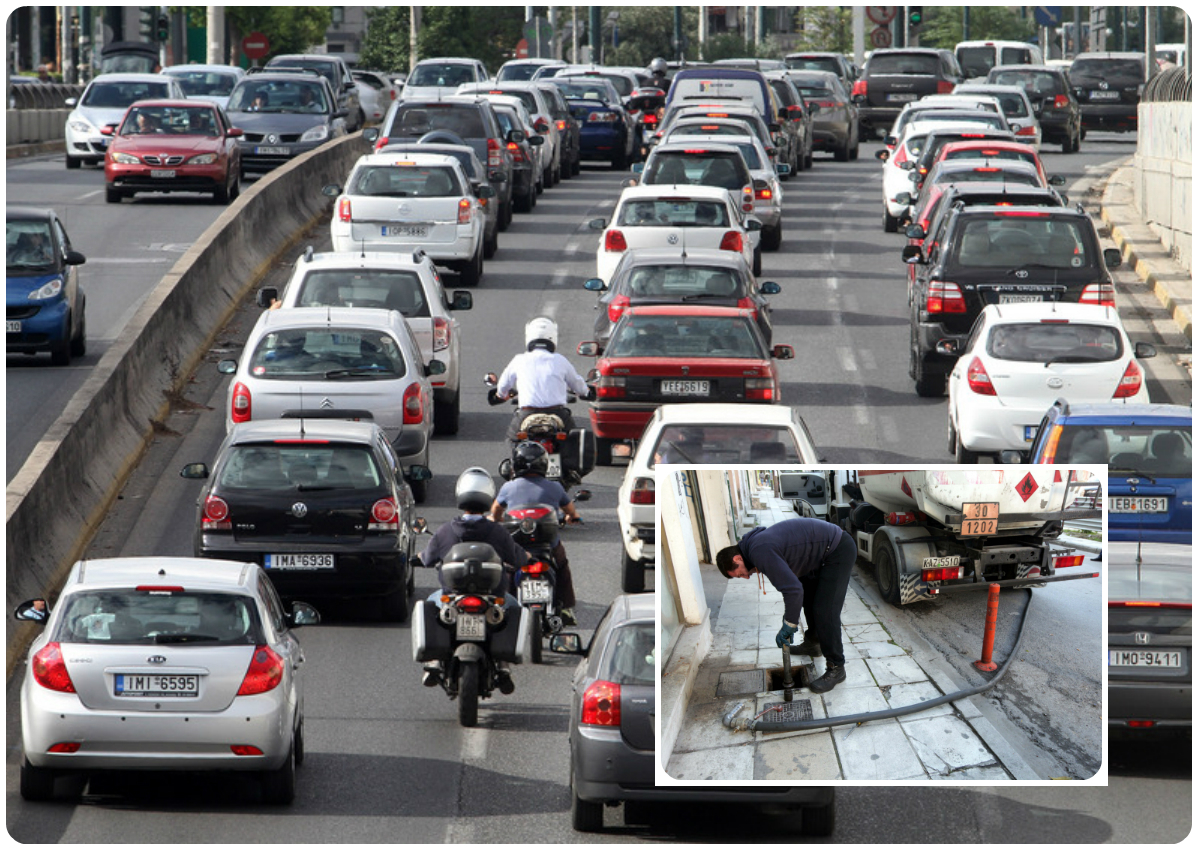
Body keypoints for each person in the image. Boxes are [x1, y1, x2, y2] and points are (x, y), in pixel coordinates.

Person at [715, 517, 858, 694]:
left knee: (825, 611)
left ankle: (837, 667)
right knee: (809, 598)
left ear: (737, 558)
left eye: (739, 574)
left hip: (838, 550)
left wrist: (789, 625)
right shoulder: (753, 548)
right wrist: (789, 617)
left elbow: (792, 590)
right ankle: (813, 644)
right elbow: (792, 587)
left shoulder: (759, 551)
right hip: (820, 553)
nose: (745, 577)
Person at [420, 467, 531, 692]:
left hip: (451, 597)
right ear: (488, 496)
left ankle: (432, 662)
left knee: (430, 604)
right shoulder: (498, 532)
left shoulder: (445, 531)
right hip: (494, 598)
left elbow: (427, 558)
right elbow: (516, 558)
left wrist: (418, 558)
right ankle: (503, 664)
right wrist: (526, 557)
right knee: (512, 607)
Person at [490, 442, 581, 626]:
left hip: (517, 544)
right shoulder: (555, 487)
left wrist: (497, 520)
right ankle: (566, 607)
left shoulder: (509, 487)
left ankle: (502, 606)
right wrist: (573, 517)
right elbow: (570, 510)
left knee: (506, 568)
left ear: (516, 465)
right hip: (548, 544)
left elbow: (496, 511)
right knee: (562, 565)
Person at [491, 317, 594, 444]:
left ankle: (515, 463)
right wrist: (587, 392)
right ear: (553, 337)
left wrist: (499, 396)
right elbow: (578, 385)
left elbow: (503, 386)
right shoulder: (560, 360)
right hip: (558, 414)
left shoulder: (519, 360)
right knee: (574, 441)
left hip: (527, 414)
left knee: (513, 439)